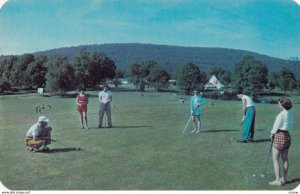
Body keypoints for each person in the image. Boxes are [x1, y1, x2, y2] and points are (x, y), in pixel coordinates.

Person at [269, 97, 294, 186]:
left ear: (282, 105)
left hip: (279, 135)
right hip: (287, 136)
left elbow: (276, 126)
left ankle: (278, 180)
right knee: (285, 158)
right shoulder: (290, 114)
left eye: (279, 103)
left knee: (275, 159)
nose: (278, 104)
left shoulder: (281, 115)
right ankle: (285, 178)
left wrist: (272, 134)